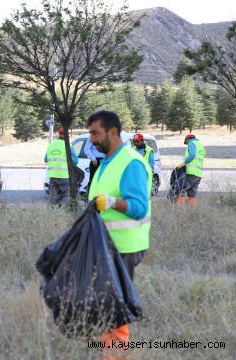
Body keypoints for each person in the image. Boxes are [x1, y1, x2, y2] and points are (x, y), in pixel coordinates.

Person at [86, 110, 151, 359]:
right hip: (107, 245)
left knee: (114, 304)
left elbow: (139, 208)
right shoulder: (108, 162)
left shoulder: (131, 163)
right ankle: (108, 352)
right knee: (107, 301)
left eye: (95, 133)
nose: (91, 139)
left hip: (125, 246)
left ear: (112, 132)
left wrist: (113, 202)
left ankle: (114, 355)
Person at [44, 128, 78, 208]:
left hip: (52, 176)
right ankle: (60, 209)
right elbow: (75, 161)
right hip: (64, 176)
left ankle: (52, 213)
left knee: (53, 197)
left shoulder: (51, 145)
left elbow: (45, 159)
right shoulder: (68, 145)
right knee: (67, 195)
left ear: (58, 135)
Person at [176, 134, 205, 206]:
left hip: (190, 173)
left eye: (186, 142)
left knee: (180, 190)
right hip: (198, 174)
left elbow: (192, 155)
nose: (187, 144)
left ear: (187, 139)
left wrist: (184, 163)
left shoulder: (191, 143)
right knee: (192, 194)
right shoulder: (200, 146)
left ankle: (179, 211)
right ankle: (192, 212)